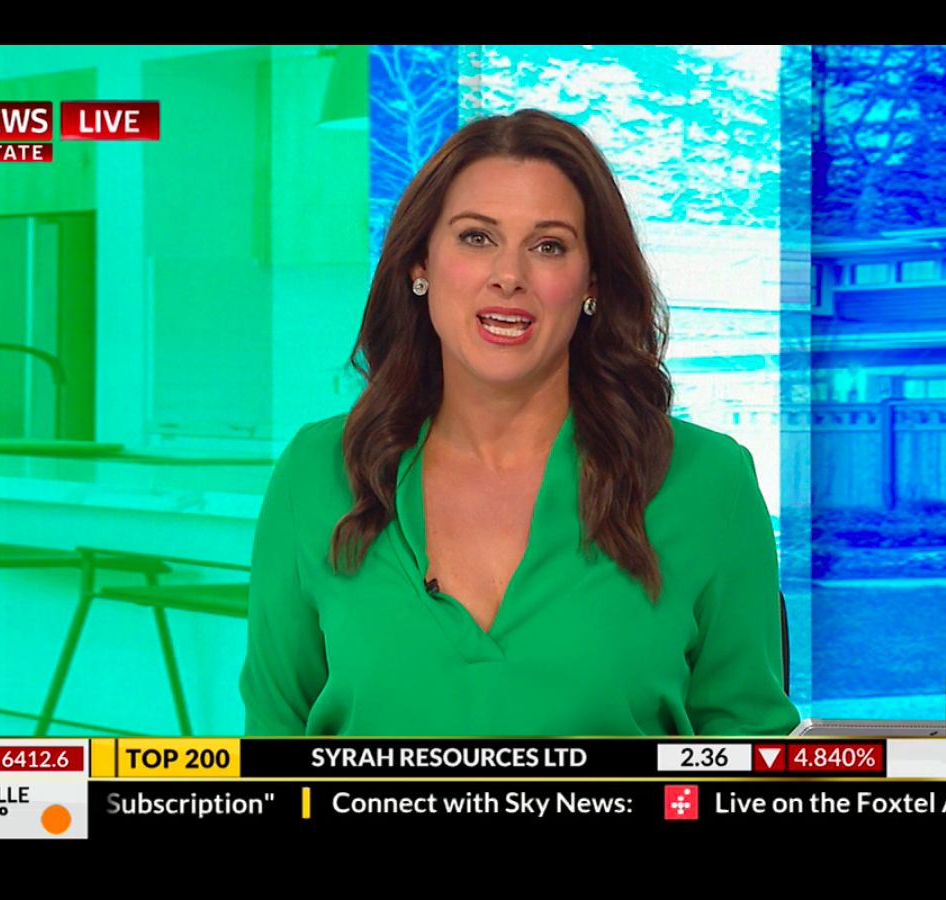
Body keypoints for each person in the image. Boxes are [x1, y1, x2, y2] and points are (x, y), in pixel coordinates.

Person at [240, 108, 797, 737]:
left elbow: (752, 757)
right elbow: (273, 746)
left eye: (548, 246)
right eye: (477, 238)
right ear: (420, 263)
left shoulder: (708, 482)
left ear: (592, 281)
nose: (509, 276)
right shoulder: (316, 474)